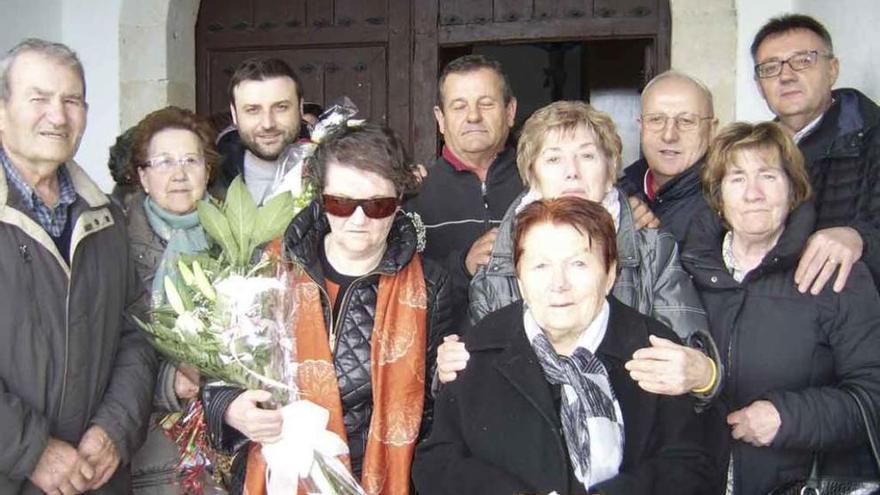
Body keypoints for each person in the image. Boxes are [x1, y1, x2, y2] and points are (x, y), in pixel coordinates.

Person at [204, 123, 455, 494]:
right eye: (340, 202)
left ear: (399, 200)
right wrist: (228, 406)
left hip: (379, 480)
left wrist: (447, 373)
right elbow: (217, 367)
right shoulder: (269, 268)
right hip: (278, 479)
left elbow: (437, 411)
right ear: (320, 198)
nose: (358, 219)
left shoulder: (431, 284)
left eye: (377, 205)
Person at [413, 197, 712, 495]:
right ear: (519, 278)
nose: (559, 283)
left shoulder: (652, 350)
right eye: (541, 265)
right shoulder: (479, 350)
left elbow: (689, 466)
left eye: (578, 264)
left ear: (609, 274)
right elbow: (438, 462)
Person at [446, 101, 718, 400]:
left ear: (611, 168)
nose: (572, 172)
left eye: (587, 156)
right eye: (553, 159)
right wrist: (448, 369)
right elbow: (475, 379)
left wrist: (703, 374)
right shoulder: (498, 258)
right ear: (532, 173)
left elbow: (688, 358)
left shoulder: (653, 248)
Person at [680, 121, 880, 494]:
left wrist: (787, 418)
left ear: (792, 190)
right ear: (718, 196)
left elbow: (873, 395)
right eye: (737, 178)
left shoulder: (837, 275)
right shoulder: (684, 272)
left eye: (768, 176)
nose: (753, 193)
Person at [0, 38, 157, 493]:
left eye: (71, 100)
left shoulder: (104, 216)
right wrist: (31, 450)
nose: (58, 114)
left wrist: (114, 428)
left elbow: (137, 330)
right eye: (39, 98)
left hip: (96, 477)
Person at [124, 106, 220, 494]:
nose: (179, 174)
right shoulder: (112, 244)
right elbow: (105, 348)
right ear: (144, 176)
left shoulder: (238, 237)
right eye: (164, 162)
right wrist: (169, 381)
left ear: (207, 171)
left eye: (190, 160)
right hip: (153, 450)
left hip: (229, 441)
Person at [751, 14, 880, 293]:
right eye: (770, 68)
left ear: (832, 70)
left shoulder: (872, 137)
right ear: (759, 86)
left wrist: (860, 239)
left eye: (803, 60)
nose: (786, 75)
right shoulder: (752, 155)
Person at [404, 54, 524, 315]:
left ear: (510, 111)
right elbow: (402, 293)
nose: (473, 116)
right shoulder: (413, 195)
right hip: (451, 352)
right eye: (459, 106)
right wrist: (463, 267)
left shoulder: (541, 184)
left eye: (486, 104)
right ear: (441, 119)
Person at [620, 71, 718, 242]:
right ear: (641, 127)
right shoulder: (619, 195)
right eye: (656, 119)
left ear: (711, 130)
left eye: (686, 121)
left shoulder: (727, 203)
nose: (669, 135)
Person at [216, 57, 306, 205]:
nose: (268, 124)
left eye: (281, 107)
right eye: (253, 110)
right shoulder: (211, 177)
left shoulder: (332, 172)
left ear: (300, 107)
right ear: (234, 113)